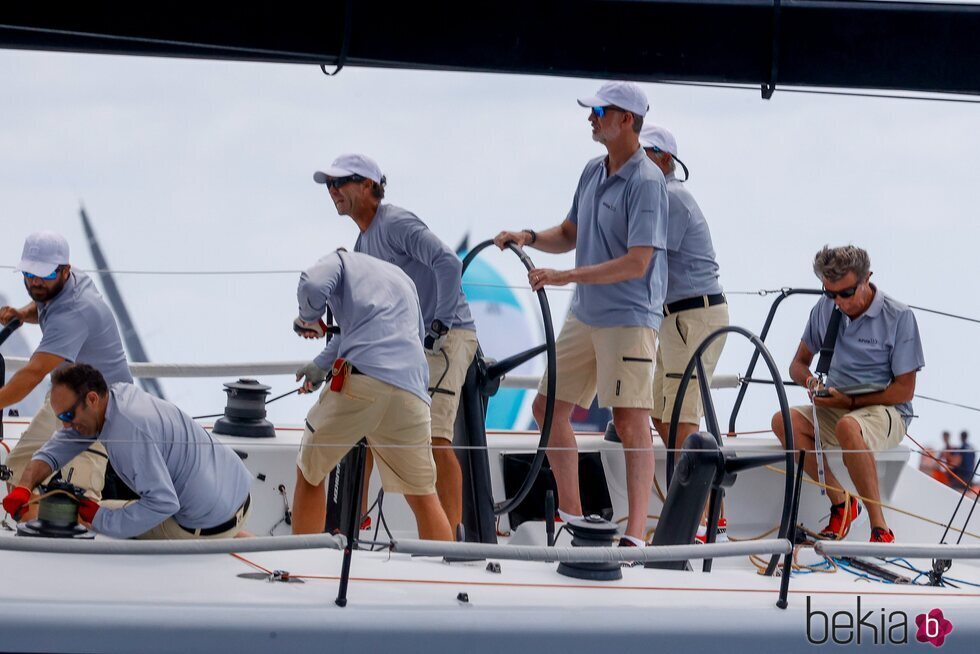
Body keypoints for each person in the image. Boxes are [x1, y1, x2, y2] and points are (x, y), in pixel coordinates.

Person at [494, 81, 668, 546]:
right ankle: (572, 518)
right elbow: (570, 232)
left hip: (629, 320)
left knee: (631, 421)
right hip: (585, 316)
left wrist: (564, 277)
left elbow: (638, 262)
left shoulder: (648, 182)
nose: (590, 119)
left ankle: (634, 535)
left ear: (626, 119)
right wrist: (528, 236)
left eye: (599, 111)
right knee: (546, 408)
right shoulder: (593, 170)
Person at [313, 154, 478, 537]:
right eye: (329, 185)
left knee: (435, 437)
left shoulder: (395, 222)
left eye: (343, 181)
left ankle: (451, 545)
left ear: (370, 186)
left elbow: (448, 263)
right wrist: (322, 364)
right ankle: (347, 532)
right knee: (365, 428)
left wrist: (440, 324)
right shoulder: (361, 245)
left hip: (448, 337)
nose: (334, 190)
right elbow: (356, 324)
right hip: (411, 348)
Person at [292, 249, 453, 541]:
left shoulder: (339, 259)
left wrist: (309, 318)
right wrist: (319, 367)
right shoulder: (402, 280)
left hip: (363, 381)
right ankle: (446, 581)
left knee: (310, 471)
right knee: (423, 496)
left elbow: (313, 284)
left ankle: (301, 568)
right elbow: (386, 334)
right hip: (412, 393)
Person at [771, 245, 924, 543]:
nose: (839, 302)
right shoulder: (825, 308)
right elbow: (797, 364)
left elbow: (904, 390)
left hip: (887, 410)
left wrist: (851, 402)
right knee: (783, 420)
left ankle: (880, 528)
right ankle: (842, 503)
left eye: (846, 293)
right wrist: (812, 383)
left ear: (867, 279)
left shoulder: (899, 317)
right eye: (830, 294)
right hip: (837, 404)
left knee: (847, 426)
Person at [2, 364, 252, 539]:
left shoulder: (129, 433)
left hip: (206, 522)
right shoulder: (116, 397)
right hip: (234, 495)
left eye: (68, 416)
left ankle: (219, 539)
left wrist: (97, 518)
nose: (66, 425)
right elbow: (60, 445)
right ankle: (233, 536)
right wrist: (25, 485)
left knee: (81, 516)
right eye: (61, 418)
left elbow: (163, 504)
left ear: (91, 399)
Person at [0, 231, 132, 517]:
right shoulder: (67, 283)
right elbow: (42, 302)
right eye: (28, 273)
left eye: (43, 274)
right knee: (17, 470)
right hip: (63, 397)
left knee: (77, 500)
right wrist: (22, 315)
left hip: (99, 409)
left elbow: (33, 372)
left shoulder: (74, 313)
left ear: (65, 270)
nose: (34, 281)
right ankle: (37, 531)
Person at [639, 125, 729, 542]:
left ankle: (705, 515)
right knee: (662, 412)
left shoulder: (671, 199)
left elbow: (646, 261)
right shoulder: (658, 199)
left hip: (692, 318)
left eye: (644, 155)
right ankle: (697, 505)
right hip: (674, 318)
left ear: (664, 160)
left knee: (682, 417)